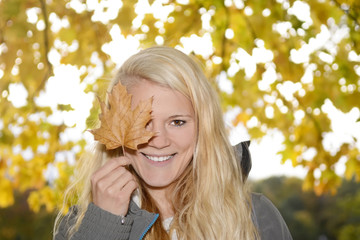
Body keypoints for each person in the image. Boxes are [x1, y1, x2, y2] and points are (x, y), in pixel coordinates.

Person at [53, 46, 293, 240]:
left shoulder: (255, 216)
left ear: (203, 129)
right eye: (143, 123)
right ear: (117, 128)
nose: (159, 141)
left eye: (177, 122)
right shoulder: (79, 227)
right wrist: (104, 225)